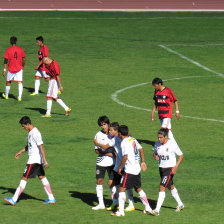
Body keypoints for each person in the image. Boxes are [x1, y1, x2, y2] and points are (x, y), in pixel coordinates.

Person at [3, 116, 56, 206]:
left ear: (28, 124)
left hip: (33, 161)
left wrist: (44, 160)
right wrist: (20, 152)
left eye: (23, 126)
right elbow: (30, 146)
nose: (22, 127)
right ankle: (51, 198)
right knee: (42, 177)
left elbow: (41, 146)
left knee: (24, 178)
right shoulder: (30, 132)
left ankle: (14, 199)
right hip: (36, 160)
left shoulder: (35, 133)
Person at [111, 125, 153, 216]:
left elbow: (125, 156)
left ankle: (121, 212)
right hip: (137, 169)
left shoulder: (124, 142)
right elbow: (141, 149)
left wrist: (119, 167)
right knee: (138, 188)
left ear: (120, 134)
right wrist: (143, 162)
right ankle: (148, 208)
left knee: (121, 189)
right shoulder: (132, 139)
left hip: (130, 170)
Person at [94, 122, 135, 212]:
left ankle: (130, 205)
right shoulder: (115, 139)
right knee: (111, 183)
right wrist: (97, 143)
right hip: (118, 164)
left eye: (111, 130)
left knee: (127, 186)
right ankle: (116, 203)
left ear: (116, 131)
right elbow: (105, 146)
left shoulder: (125, 139)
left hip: (126, 165)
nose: (109, 131)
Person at [152, 128, 184, 216]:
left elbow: (181, 155)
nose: (159, 139)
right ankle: (180, 204)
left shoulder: (172, 144)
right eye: (158, 137)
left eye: (161, 137)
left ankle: (157, 210)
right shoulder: (157, 143)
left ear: (166, 137)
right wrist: (155, 156)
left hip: (169, 169)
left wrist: (175, 167)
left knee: (162, 187)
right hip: (161, 168)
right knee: (170, 186)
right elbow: (155, 153)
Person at [92, 116, 116, 210]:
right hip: (101, 162)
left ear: (108, 124)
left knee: (112, 183)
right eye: (101, 125)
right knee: (99, 181)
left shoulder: (113, 134)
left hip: (113, 162)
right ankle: (101, 204)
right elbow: (97, 151)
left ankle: (115, 202)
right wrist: (108, 153)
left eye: (105, 124)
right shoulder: (97, 135)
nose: (103, 127)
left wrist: (112, 154)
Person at [151, 77, 180, 143]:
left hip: (167, 114)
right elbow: (156, 103)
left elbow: (175, 101)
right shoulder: (156, 91)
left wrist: (177, 111)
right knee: (168, 131)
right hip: (160, 114)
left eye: (155, 86)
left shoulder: (168, 91)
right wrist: (152, 113)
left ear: (160, 84)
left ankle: (159, 144)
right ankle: (174, 145)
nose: (155, 87)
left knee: (162, 130)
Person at [2, 36, 25, 101]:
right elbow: (24, 58)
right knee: (20, 82)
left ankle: (6, 96)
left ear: (10, 42)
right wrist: (22, 66)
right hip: (19, 69)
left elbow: (5, 60)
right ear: (16, 42)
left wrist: (4, 70)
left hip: (10, 69)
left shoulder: (8, 50)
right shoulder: (20, 49)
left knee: (8, 82)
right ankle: (19, 97)